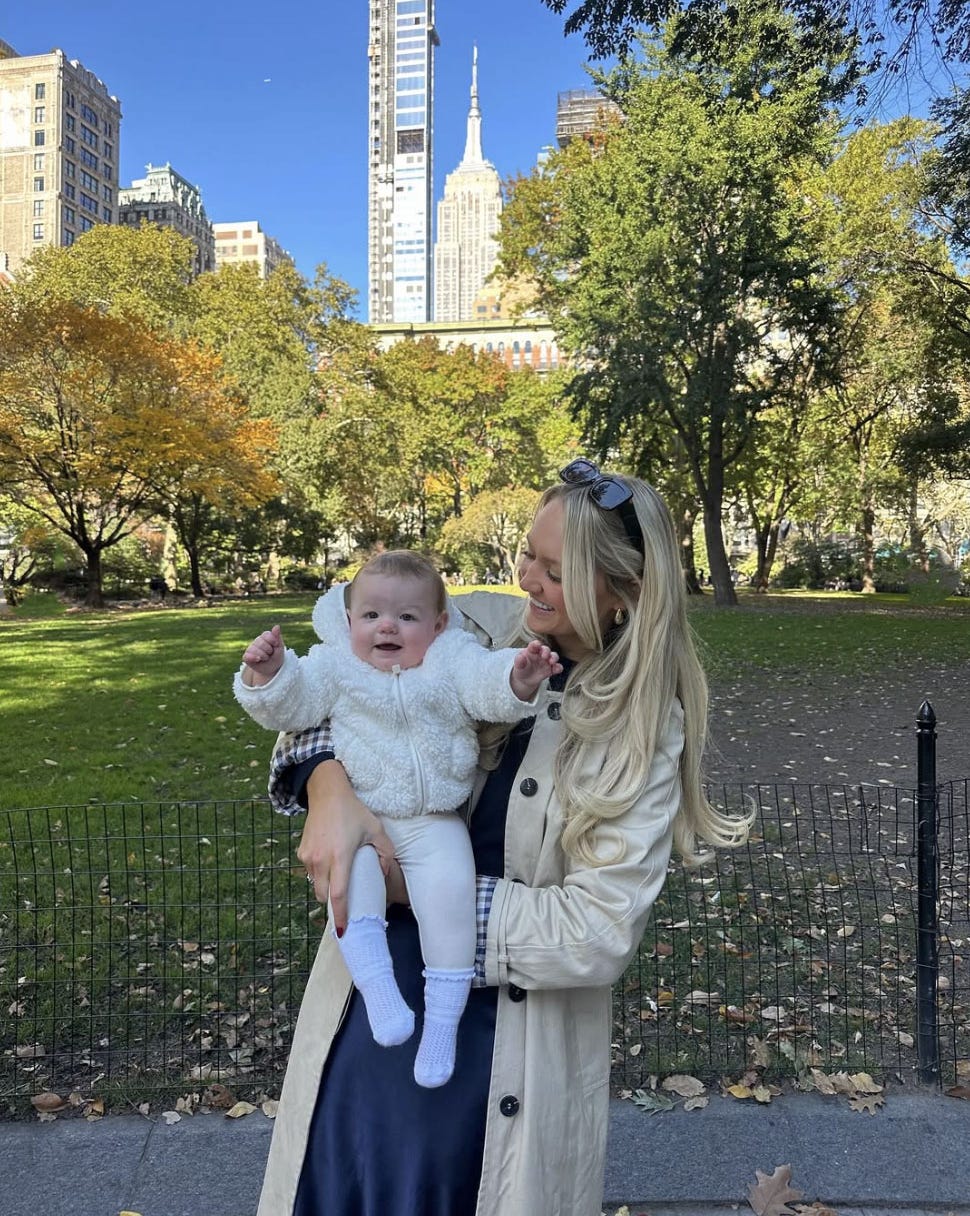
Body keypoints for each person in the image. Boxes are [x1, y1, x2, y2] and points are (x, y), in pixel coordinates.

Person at [256, 461, 751, 1216]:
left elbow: (599, 931)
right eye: (528, 554)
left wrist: (420, 890)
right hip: (368, 1011)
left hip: (500, 1056)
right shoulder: (472, 625)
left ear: (623, 592)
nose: (528, 579)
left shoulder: (641, 732)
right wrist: (328, 790)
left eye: (556, 571)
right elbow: (328, 686)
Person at [234, 550, 560, 1088]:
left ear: (438, 624)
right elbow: (295, 707)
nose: (387, 626)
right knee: (352, 880)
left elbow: (485, 684)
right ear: (348, 621)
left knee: (452, 899)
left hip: (435, 820)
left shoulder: (450, 658)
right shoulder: (336, 666)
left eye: (407, 617)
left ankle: (442, 1025)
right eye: (371, 615)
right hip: (367, 815)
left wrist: (517, 678)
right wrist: (268, 675)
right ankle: (379, 991)